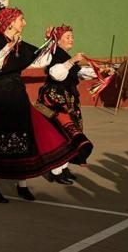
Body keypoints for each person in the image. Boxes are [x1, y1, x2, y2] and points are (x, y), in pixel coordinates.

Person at [0, 8, 81, 203]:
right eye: (22, 19)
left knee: (23, 137)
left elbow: (41, 59)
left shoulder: (20, 44)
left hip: (18, 94)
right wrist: (8, 47)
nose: (25, 23)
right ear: (11, 22)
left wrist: (52, 41)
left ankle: (22, 185)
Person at [36, 25, 95, 184]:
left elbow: (80, 73)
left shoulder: (65, 55)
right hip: (55, 99)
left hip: (68, 99)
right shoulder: (54, 54)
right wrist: (72, 60)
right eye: (68, 37)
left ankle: (63, 167)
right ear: (58, 40)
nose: (71, 39)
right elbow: (56, 74)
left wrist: (101, 71)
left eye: (72, 36)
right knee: (63, 133)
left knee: (70, 133)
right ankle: (55, 171)